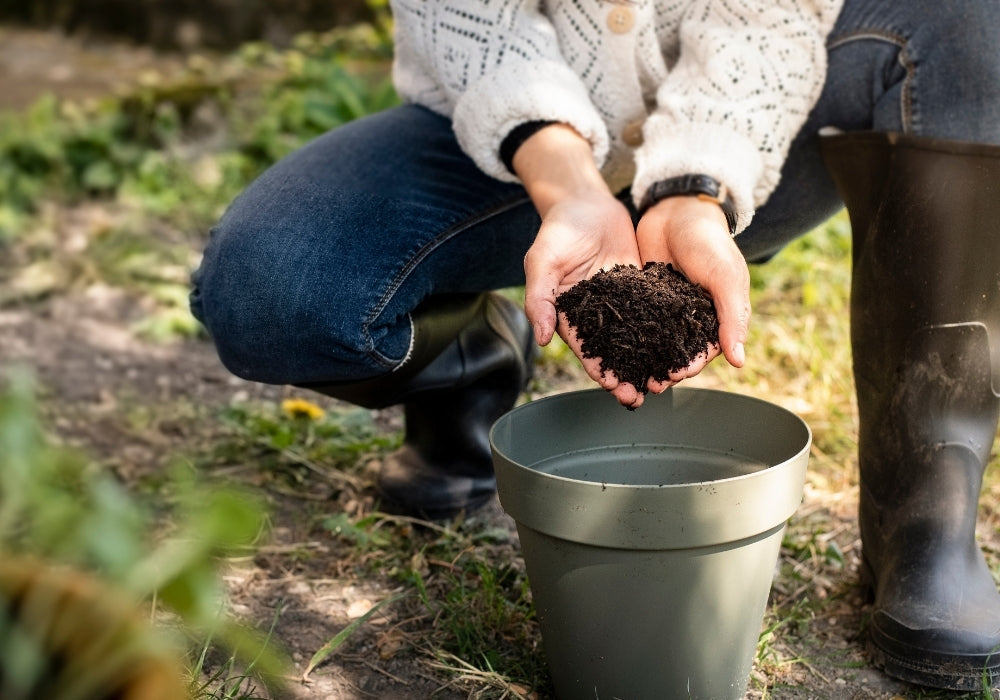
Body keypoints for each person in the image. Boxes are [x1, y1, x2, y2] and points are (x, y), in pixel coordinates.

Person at [189, 0, 1000, 692]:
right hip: (505, 140)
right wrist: (566, 178)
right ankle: (474, 359)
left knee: (960, 17)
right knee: (269, 288)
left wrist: (696, 186)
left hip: (753, 125)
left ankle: (926, 523)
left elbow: (773, 10)